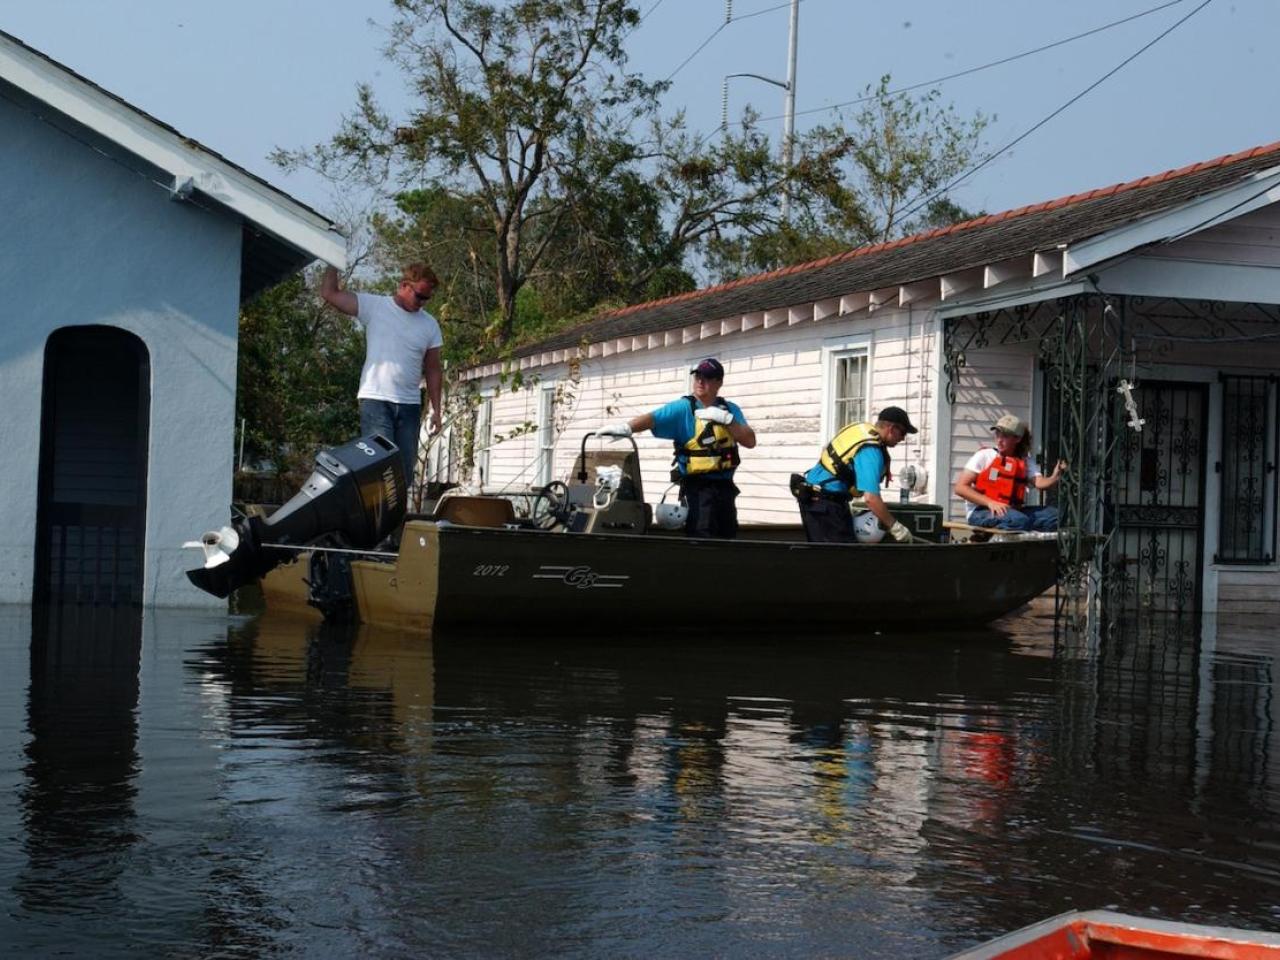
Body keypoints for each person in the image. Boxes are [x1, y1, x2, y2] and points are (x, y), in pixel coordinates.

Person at [599, 358, 757, 539]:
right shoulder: (683, 408)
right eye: (697, 376)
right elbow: (652, 418)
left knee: (728, 533)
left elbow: (750, 441)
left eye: (707, 377)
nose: (700, 381)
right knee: (701, 534)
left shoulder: (730, 409)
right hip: (697, 488)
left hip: (725, 487)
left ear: (719, 382)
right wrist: (626, 428)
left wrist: (727, 419)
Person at [320, 263, 444, 483]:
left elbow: (433, 368)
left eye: (428, 298)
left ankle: (397, 517)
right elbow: (330, 293)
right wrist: (332, 260)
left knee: (404, 472)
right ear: (404, 286)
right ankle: (375, 516)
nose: (423, 303)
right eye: (419, 296)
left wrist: (437, 409)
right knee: (380, 467)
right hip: (376, 400)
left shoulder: (429, 325)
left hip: (409, 405)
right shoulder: (375, 306)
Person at [791, 406, 920, 544]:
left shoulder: (860, 430)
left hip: (815, 497)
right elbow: (871, 498)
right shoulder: (871, 451)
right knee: (841, 558)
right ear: (892, 428)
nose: (903, 439)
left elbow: (830, 454)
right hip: (825, 504)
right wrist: (895, 527)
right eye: (903, 433)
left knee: (827, 556)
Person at [953, 414, 1065, 532]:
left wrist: (1054, 477)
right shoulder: (984, 456)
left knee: (1056, 516)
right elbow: (960, 488)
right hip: (981, 511)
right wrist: (991, 503)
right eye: (997, 434)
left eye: (1005, 436)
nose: (999, 440)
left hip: (1013, 512)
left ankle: (1020, 530)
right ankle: (989, 538)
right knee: (1019, 521)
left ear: (1017, 438)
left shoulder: (1024, 460)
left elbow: (1040, 483)